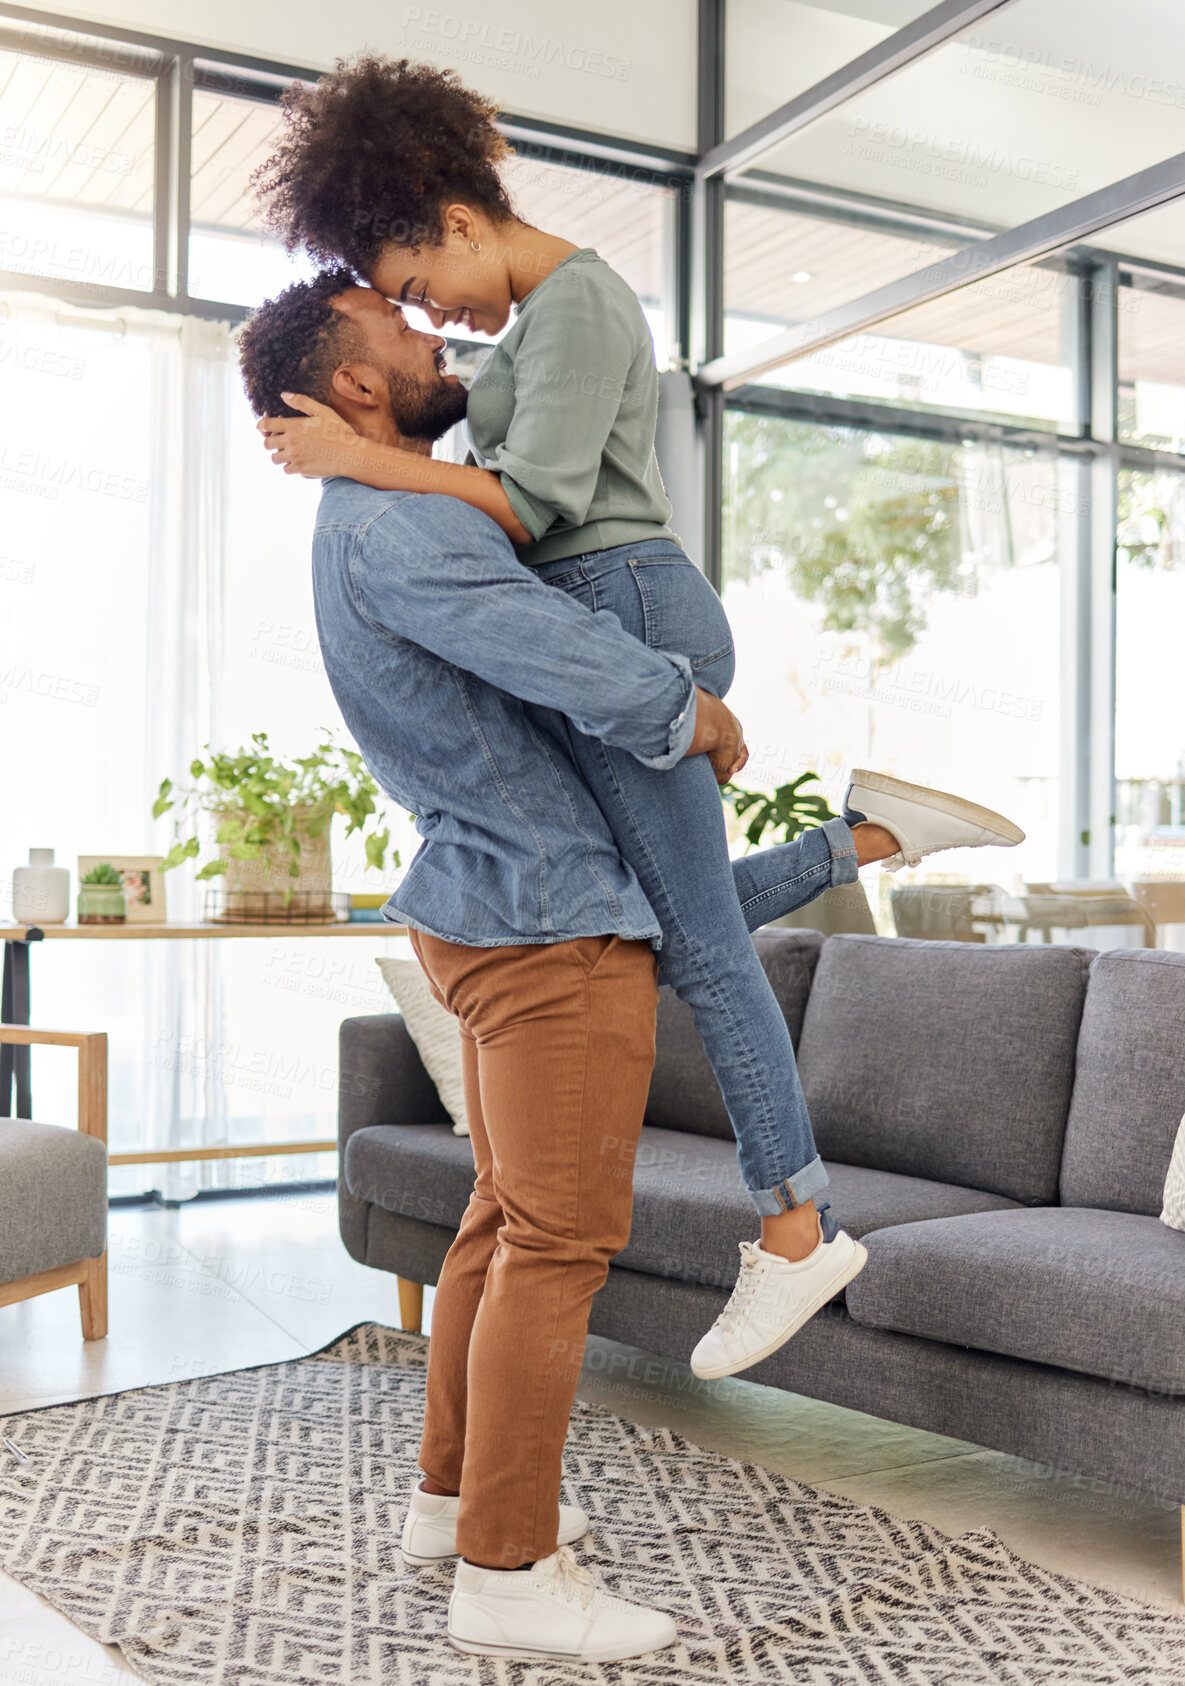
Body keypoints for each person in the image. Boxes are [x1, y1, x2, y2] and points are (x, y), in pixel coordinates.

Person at [251, 56, 1025, 1381]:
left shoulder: (583, 305)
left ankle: (796, 1226)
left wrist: (359, 458)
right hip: (607, 616)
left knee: (707, 957)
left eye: (415, 277)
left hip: (633, 615)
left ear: (450, 213)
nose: (421, 307)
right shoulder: (527, 327)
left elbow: (536, 506)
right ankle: (865, 841)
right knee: (664, 925)